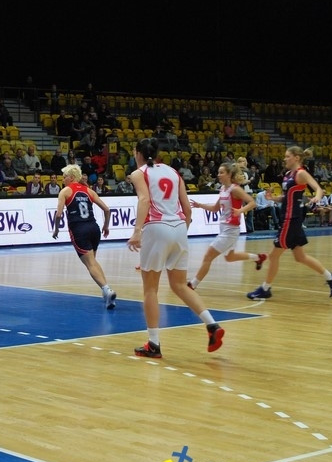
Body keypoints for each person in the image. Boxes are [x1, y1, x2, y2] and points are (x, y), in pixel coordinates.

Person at [127, 138, 225, 358]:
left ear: (138, 153)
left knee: (150, 289)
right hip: (179, 227)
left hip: (156, 227)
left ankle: (153, 344)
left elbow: (144, 200)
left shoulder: (138, 173)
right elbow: (187, 207)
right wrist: (182, 230)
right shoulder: (173, 171)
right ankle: (212, 325)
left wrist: (137, 231)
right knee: (180, 285)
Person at [247, 146, 332, 300]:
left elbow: (318, 188)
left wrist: (317, 197)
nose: (284, 159)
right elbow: (287, 197)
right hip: (291, 218)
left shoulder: (301, 173)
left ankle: (265, 288)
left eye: (287, 156)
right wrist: (274, 199)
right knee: (300, 257)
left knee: (273, 256)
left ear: (296, 158)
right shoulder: (288, 175)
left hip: (290, 219)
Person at [187, 163, 265, 290]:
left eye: (221, 172)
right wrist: (200, 205)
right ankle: (258, 257)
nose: (218, 175)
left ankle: (193, 284)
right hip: (224, 228)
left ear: (229, 174)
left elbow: (252, 202)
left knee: (208, 256)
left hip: (231, 229)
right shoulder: (223, 189)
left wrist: (240, 211)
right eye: (218, 172)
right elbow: (215, 208)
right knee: (230, 257)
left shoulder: (235, 189)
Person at [52, 164, 116, 309]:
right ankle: (106, 293)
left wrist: (56, 230)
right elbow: (107, 209)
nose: (63, 180)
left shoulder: (65, 191)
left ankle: (107, 289)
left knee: (90, 264)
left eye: (65, 177)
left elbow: (58, 214)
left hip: (79, 230)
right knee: (93, 261)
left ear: (72, 177)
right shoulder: (88, 191)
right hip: (94, 229)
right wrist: (106, 226)